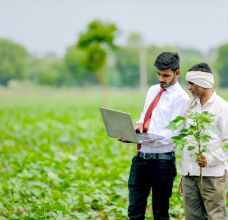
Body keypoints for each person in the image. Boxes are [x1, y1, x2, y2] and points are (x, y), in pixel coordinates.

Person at [125, 52, 189, 220]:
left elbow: (173, 133)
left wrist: (148, 137)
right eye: (159, 74)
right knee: (134, 210)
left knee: (160, 212)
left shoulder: (181, 98)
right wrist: (136, 129)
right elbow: (144, 117)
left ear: (177, 73)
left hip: (162, 162)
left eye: (166, 75)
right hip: (141, 159)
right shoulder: (153, 90)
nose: (161, 79)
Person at [180, 63, 228, 220]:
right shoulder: (190, 105)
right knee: (192, 217)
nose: (188, 87)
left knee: (216, 216)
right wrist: (184, 174)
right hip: (189, 174)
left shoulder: (222, 108)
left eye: (192, 84)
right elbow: (184, 137)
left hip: (213, 176)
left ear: (204, 83)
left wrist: (210, 159)